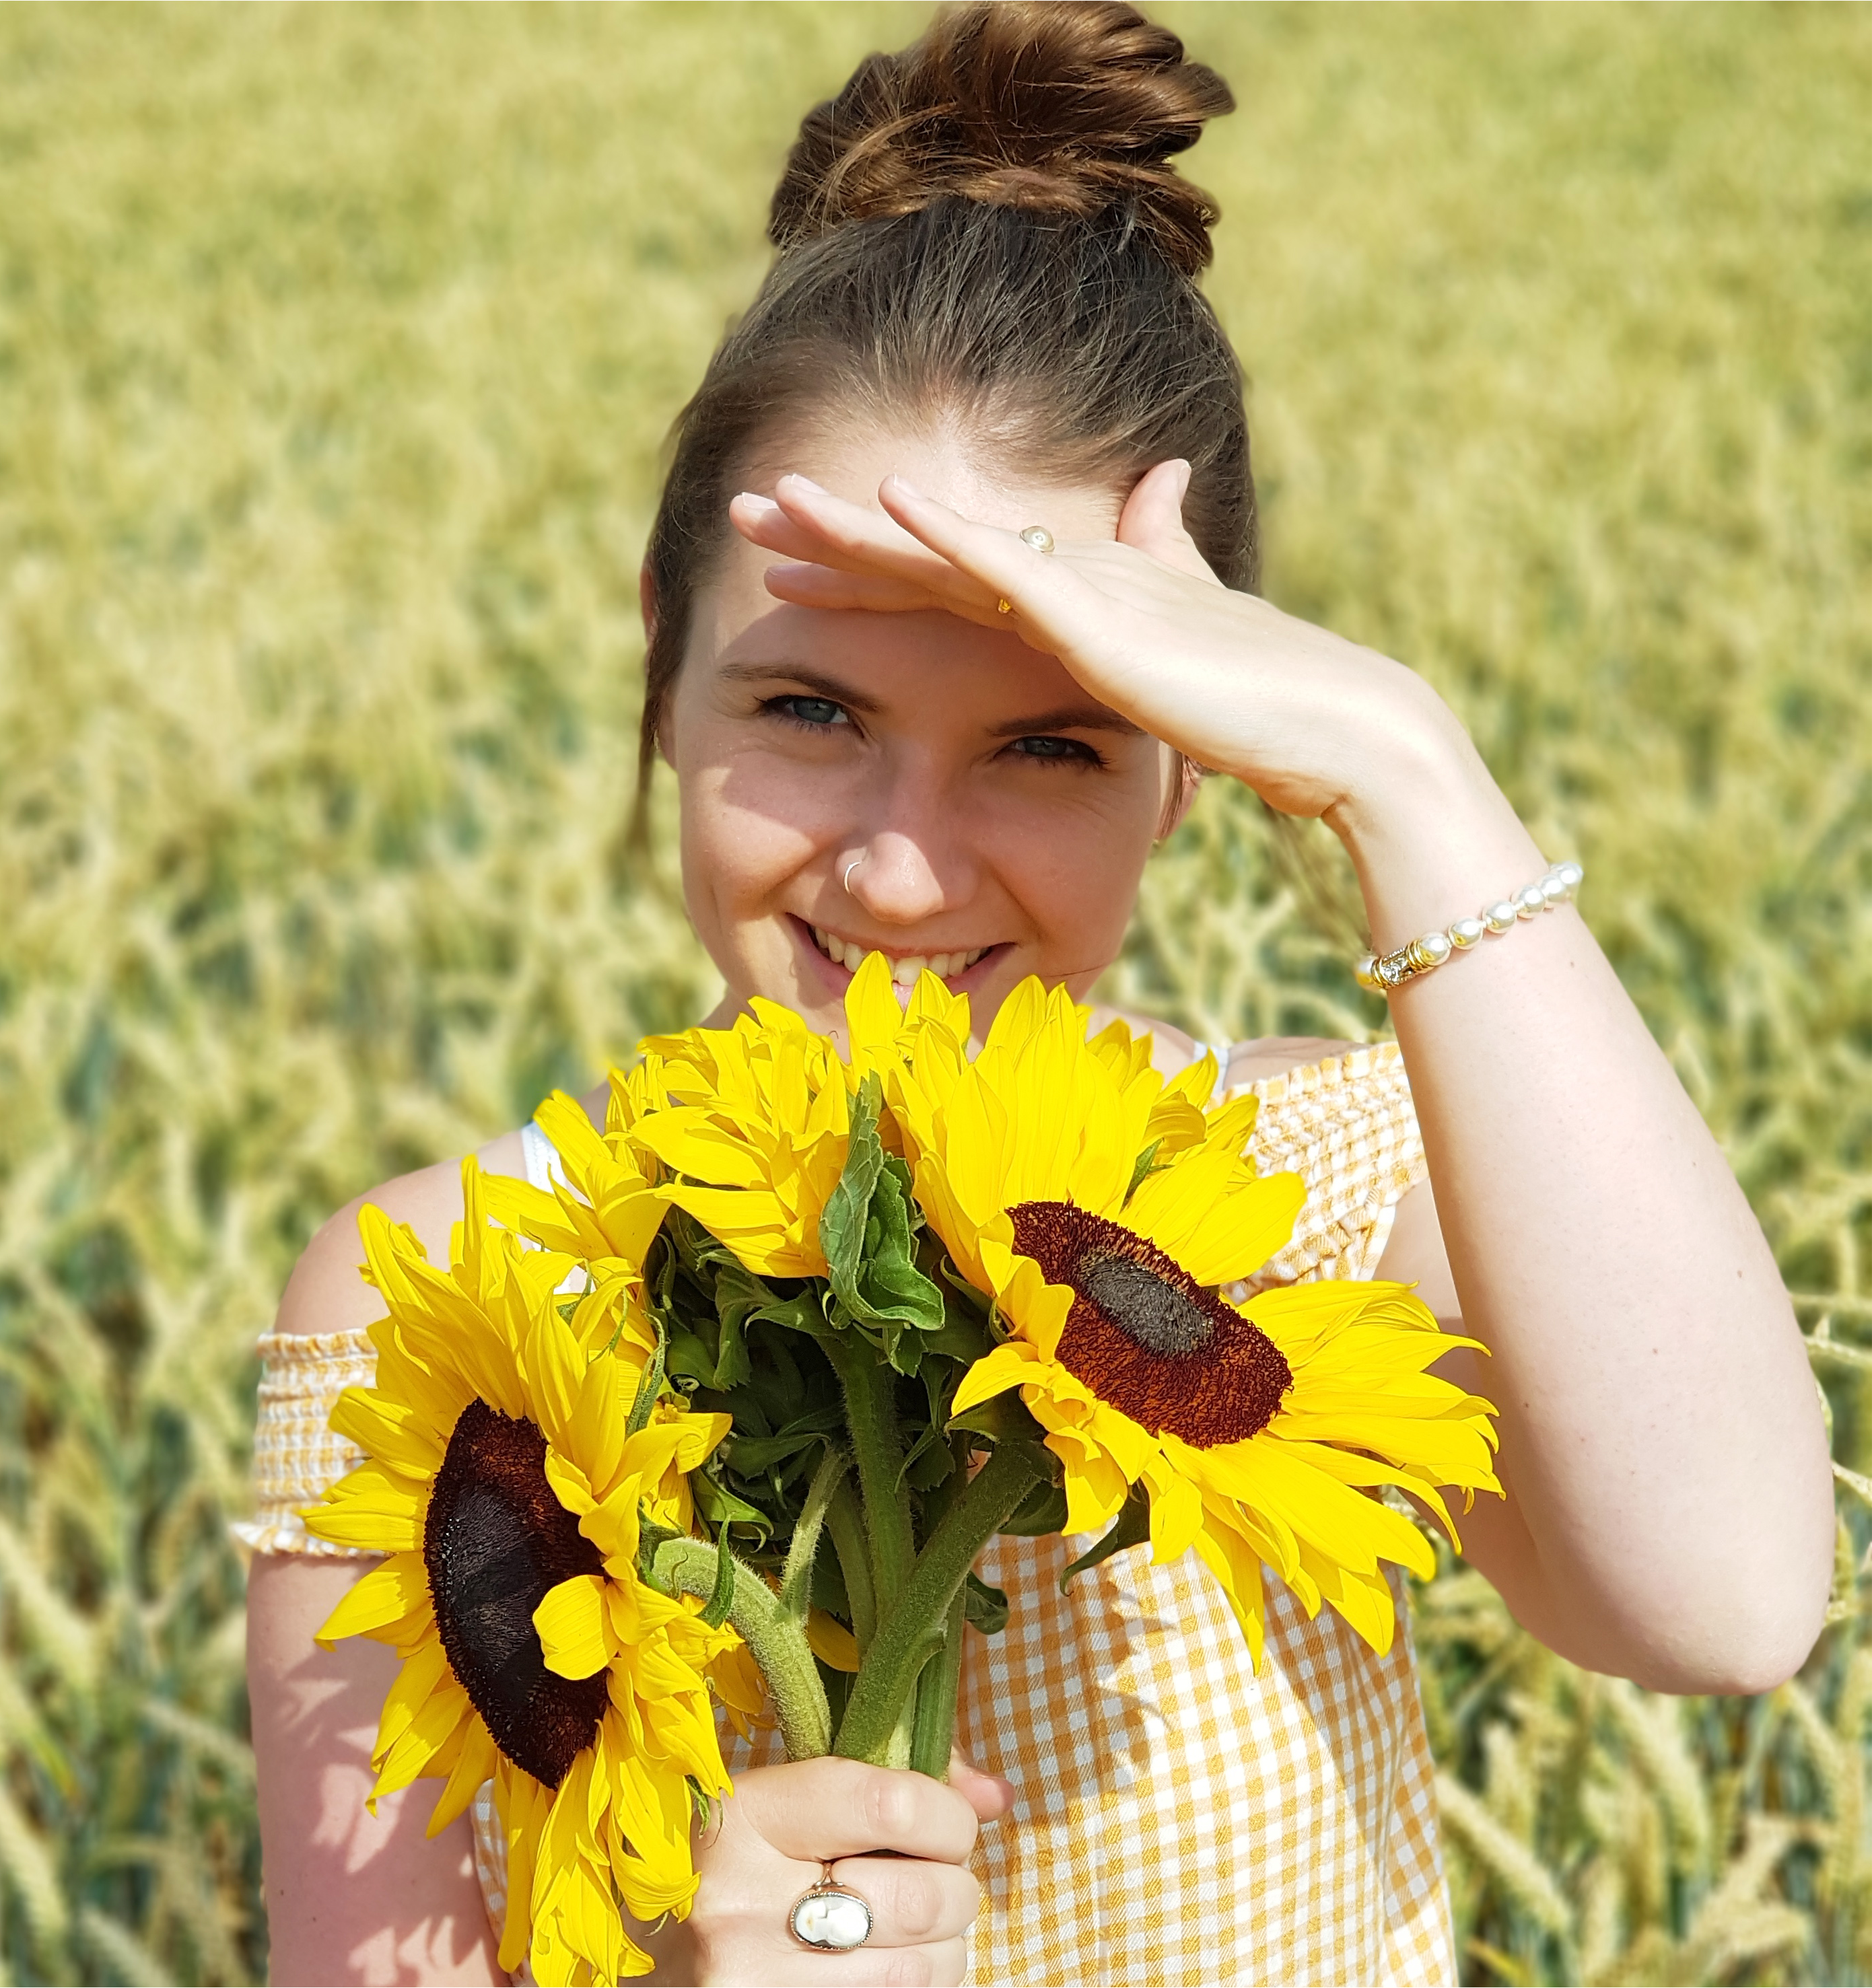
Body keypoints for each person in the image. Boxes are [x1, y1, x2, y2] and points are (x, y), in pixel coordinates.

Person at [241, 5, 1834, 1983]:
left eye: (1054, 744)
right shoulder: (444, 1301)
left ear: (1191, 751)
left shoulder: (1315, 1192)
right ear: (662, 652)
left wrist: (1404, 769)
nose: (905, 870)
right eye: (809, 708)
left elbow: (1723, 1600)